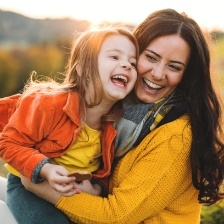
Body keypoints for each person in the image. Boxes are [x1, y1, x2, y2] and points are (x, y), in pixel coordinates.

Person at [2, 8, 224, 224]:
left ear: (187, 75)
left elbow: (116, 215)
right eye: (151, 57)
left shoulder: (175, 136)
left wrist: (39, 184)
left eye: (174, 66)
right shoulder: (116, 112)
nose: (157, 73)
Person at [0, 26, 138, 224]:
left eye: (132, 63)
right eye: (115, 57)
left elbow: (104, 171)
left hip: (72, 195)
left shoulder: (115, 124)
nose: (126, 65)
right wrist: (45, 169)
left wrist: (96, 187)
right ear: (83, 68)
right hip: (29, 185)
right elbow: (9, 143)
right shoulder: (50, 105)